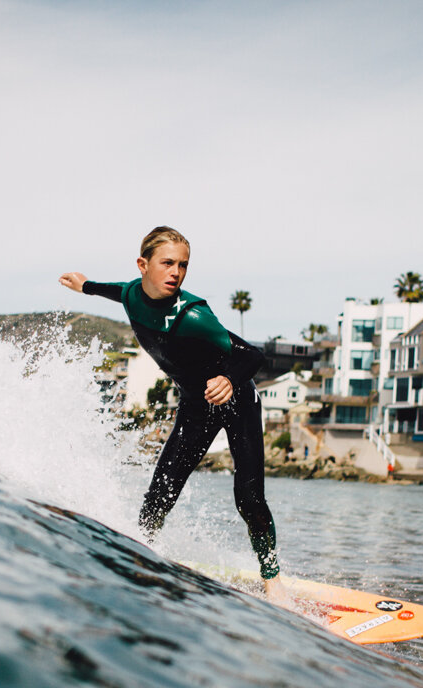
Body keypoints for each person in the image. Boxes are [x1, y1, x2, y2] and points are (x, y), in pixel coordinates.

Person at [59, 226, 287, 600]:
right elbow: (117, 291)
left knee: (248, 498)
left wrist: (229, 379)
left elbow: (251, 354)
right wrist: (86, 286)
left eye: (183, 266)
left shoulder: (194, 316)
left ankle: (272, 579)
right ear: (143, 265)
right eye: (167, 263)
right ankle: (141, 553)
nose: (176, 273)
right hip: (197, 406)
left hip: (237, 401)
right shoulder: (133, 292)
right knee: (160, 490)